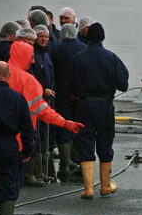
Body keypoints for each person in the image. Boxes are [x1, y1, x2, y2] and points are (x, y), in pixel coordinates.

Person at [6, 42, 83, 188]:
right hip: (19, 140)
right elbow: (43, 111)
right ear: (23, 56)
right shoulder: (28, 81)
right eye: (31, 57)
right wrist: (65, 123)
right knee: (10, 189)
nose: (33, 61)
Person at [69, 23, 128, 199]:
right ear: (102, 37)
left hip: (84, 105)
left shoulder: (78, 57)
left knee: (85, 141)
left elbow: (70, 85)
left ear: (87, 38)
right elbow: (123, 84)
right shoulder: (111, 58)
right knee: (105, 142)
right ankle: (105, 185)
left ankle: (88, 188)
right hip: (104, 105)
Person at [0, 61, 36, 215]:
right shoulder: (17, 98)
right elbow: (27, 128)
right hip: (7, 145)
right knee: (8, 186)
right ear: (8, 76)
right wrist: (27, 151)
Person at [50, 24, 87, 182]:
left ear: (62, 36)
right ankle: (77, 160)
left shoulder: (56, 50)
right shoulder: (84, 49)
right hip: (79, 96)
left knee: (64, 126)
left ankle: (65, 164)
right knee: (78, 126)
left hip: (61, 95)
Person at [29, 25, 57, 183]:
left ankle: (40, 172)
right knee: (37, 135)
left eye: (46, 37)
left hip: (46, 101)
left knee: (44, 135)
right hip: (37, 100)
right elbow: (32, 78)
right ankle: (33, 173)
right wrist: (42, 90)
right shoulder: (33, 55)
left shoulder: (46, 55)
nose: (44, 39)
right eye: (41, 37)